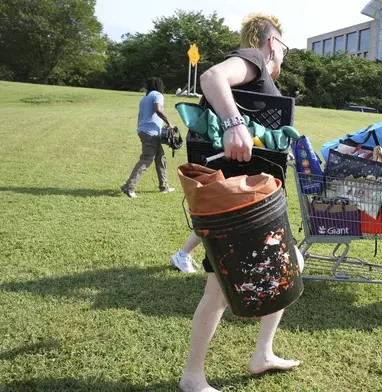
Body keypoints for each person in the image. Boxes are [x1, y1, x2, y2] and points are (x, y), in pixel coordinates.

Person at [178, 14, 299, 392]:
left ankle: (263, 353)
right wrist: (235, 124)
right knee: (218, 289)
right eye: (283, 46)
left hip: (255, 198)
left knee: (288, 263)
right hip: (236, 201)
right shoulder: (254, 57)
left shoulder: (261, 77)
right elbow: (212, 76)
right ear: (271, 43)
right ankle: (192, 376)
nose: (283, 54)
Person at [121, 77, 175, 198]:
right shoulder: (157, 95)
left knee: (161, 158)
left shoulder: (144, 98)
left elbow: (140, 115)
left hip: (143, 131)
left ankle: (164, 186)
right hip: (151, 133)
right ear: (159, 85)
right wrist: (169, 123)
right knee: (146, 159)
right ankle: (129, 187)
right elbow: (158, 109)